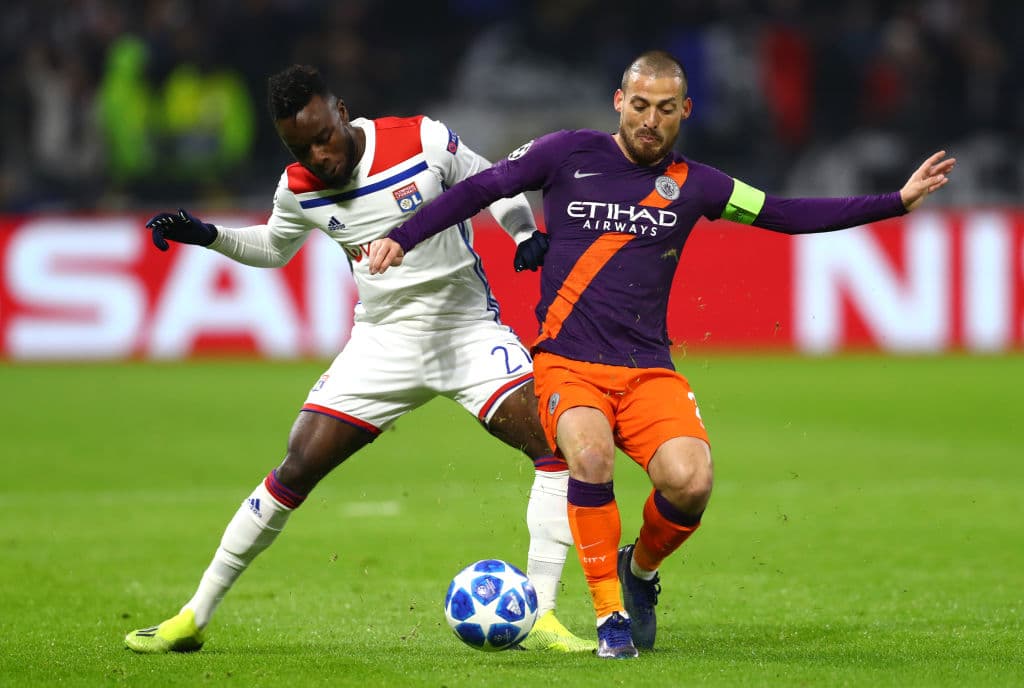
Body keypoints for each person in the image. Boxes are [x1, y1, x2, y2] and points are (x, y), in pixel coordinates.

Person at [366, 50, 955, 659]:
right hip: (567, 362)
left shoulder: (699, 185)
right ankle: (609, 620)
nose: (650, 120)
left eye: (665, 110)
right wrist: (400, 238)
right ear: (620, 102)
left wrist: (895, 201)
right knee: (589, 457)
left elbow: (785, 213)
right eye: (640, 105)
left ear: (685, 112)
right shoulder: (566, 153)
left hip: (648, 371)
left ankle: (640, 571)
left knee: (691, 482)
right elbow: (483, 187)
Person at [124, 64, 595, 654]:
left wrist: (525, 234)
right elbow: (274, 245)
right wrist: (209, 235)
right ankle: (193, 616)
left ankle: (544, 615)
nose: (319, 154)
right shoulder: (297, 186)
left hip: (466, 332)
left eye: (323, 135)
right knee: (295, 467)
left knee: (555, 446)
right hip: (381, 342)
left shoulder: (419, 139)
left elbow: (493, 183)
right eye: (303, 146)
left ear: (340, 110)